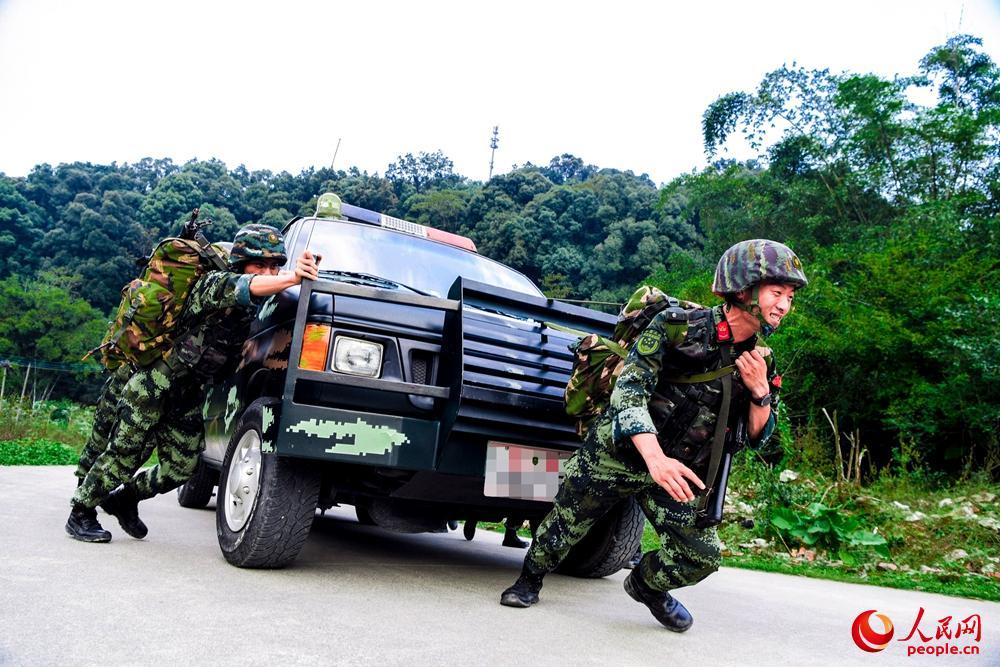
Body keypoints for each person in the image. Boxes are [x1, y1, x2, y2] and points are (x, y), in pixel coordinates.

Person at [499, 239, 807, 632]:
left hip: (676, 471)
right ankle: (530, 579)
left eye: (790, 296)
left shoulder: (760, 360)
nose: (784, 304)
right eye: (777, 292)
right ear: (743, 289)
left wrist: (761, 393)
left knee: (702, 556)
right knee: (565, 525)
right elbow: (629, 393)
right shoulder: (677, 327)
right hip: (619, 452)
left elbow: (762, 441)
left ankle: (645, 586)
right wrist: (655, 459)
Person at [66, 224, 320, 542]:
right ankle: (80, 512)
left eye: (275, 265)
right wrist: (293, 277)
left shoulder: (250, 309)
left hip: (187, 391)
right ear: (241, 262)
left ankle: (125, 499)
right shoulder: (214, 284)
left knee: (183, 464)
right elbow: (247, 285)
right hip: (153, 383)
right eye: (260, 264)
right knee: (126, 452)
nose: (268, 271)